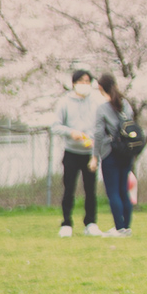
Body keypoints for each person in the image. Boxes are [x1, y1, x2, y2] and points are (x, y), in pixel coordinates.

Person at [48, 69, 103, 237]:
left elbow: (101, 126)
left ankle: (91, 222)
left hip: (90, 152)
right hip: (71, 151)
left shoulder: (96, 102)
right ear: (74, 83)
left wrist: (95, 146)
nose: (84, 85)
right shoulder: (64, 102)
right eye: (81, 81)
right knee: (69, 188)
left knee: (90, 189)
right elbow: (55, 126)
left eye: (87, 81)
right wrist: (71, 132)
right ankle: (66, 223)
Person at [93, 74, 137, 238]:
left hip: (110, 152)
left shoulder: (103, 108)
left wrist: (95, 156)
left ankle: (119, 228)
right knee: (123, 191)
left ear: (100, 88)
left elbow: (98, 134)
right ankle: (126, 227)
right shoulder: (125, 105)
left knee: (113, 192)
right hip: (126, 153)